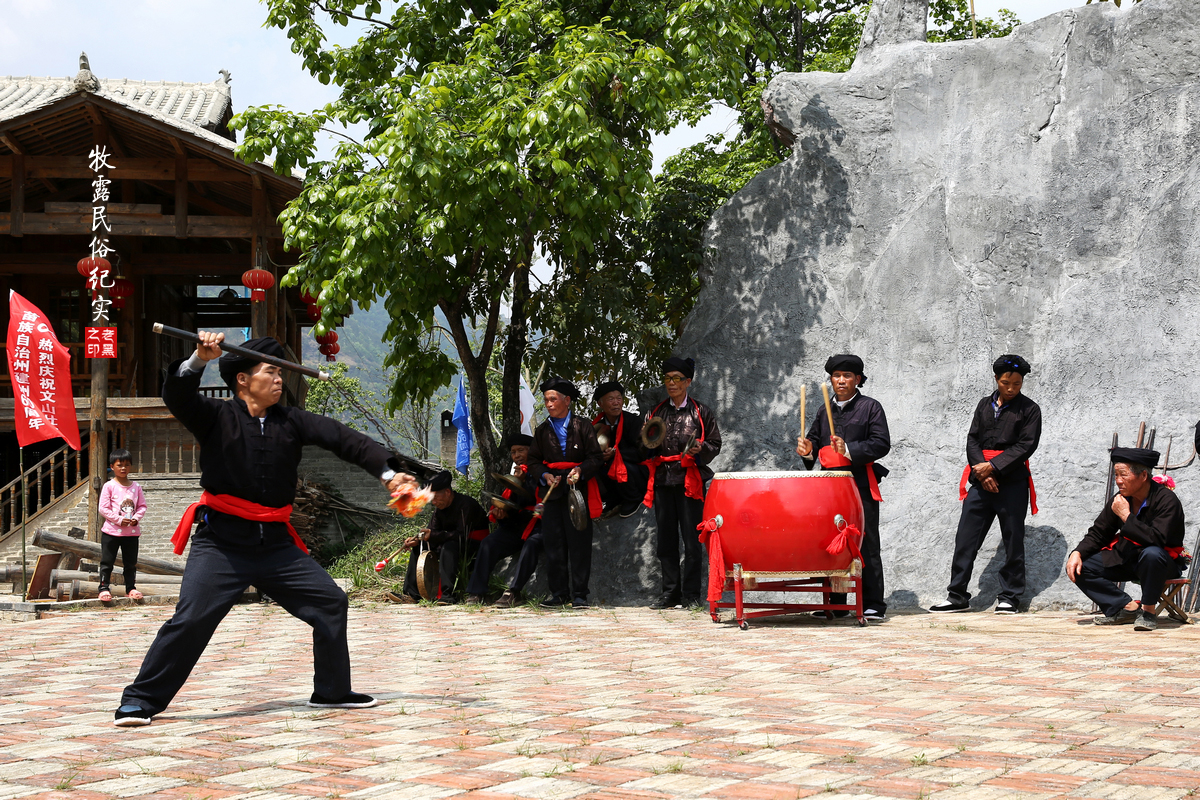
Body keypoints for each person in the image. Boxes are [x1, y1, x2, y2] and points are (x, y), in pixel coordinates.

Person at [114, 332, 415, 728]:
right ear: (243, 379)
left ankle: (331, 691)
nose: (279, 380)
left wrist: (389, 473)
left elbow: (348, 441)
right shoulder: (215, 417)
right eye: (270, 371)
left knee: (329, 602)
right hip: (221, 544)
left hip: (276, 547)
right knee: (190, 620)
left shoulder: (291, 422)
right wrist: (198, 359)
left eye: (280, 372)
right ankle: (139, 701)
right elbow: (179, 396)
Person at [930, 355, 1041, 615]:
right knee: (966, 538)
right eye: (1006, 383)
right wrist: (982, 472)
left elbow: (1026, 445)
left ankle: (1010, 596)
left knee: (1013, 538)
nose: (1011, 388)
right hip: (980, 480)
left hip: (1012, 481)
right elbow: (972, 440)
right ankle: (957, 594)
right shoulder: (983, 405)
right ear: (996, 380)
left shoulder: (1030, 409)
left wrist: (993, 467)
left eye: (1017, 383)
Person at [795, 354, 891, 622]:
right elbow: (812, 442)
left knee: (866, 542)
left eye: (847, 376)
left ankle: (873, 603)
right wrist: (806, 450)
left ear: (857, 380)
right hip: (830, 487)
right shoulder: (824, 410)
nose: (841, 381)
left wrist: (848, 449)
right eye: (836, 376)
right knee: (833, 543)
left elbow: (882, 443)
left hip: (859, 482)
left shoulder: (871, 407)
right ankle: (837, 603)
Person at [1066, 447, 1185, 631]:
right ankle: (1126, 607)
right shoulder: (1120, 499)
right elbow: (1099, 532)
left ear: (1143, 476)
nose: (1118, 481)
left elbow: (1157, 539)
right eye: (1116, 475)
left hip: (1161, 563)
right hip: (1128, 557)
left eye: (1123, 475)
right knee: (1082, 566)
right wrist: (1077, 552)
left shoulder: (1166, 500)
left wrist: (1126, 517)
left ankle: (1148, 613)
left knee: (1151, 554)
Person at [643, 357, 722, 610]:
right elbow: (643, 446)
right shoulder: (655, 412)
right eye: (668, 378)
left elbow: (715, 443)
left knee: (692, 538)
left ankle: (691, 595)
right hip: (663, 480)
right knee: (665, 539)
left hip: (690, 481)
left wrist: (699, 450)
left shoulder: (701, 411)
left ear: (688, 382)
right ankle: (669, 594)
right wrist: (646, 439)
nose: (672, 383)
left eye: (677, 378)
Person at [527, 377, 603, 608]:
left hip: (577, 492)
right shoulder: (542, 430)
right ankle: (559, 594)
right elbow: (532, 460)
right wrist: (544, 475)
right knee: (554, 543)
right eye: (546, 400)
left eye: (553, 399)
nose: (549, 404)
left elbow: (596, 458)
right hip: (552, 492)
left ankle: (580, 594)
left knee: (579, 542)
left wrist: (580, 470)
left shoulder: (583, 425)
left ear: (567, 400)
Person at [464, 435, 540, 604]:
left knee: (532, 544)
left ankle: (514, 591)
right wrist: (503, 515)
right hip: (516, 526)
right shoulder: (513, 476)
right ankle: (477, 592)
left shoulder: (540, 471)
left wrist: (525, 479)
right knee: (488, 543)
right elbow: (513, 507)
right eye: (513, 452)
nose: (517, 455)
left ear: (531, 451)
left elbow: (539, 498)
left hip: (537, 525)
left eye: (521, 450)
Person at [397, 470, 490, 603]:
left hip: (473, 544)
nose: (434, 502)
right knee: (419, 549)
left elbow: (461, 535)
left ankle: (448, 594)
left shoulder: (466, 504)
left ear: (447, 492)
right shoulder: (439, 510)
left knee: (449, 547)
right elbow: (432, 531)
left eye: (435, 497)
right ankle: (411, 594)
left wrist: (433, 535)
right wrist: (417, 540)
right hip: (450, 541)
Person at [591, 381, 648, 519]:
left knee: (614, 464)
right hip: (612, 470)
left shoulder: (633, 421)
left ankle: (633, 497)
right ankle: (613, 499)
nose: (616, 402)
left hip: (636, 470)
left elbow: (642, 452)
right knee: (592, 467)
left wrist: (616, 454)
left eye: (619, 398)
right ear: (601, 404)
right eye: (611, 399)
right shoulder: (598, 425)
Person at [97, 448, 147, 602]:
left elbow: (142, 506)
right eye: (120, 465)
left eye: (126, 465)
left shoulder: (136, 487)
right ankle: (104, 588)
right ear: (112, 467)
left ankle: (130, 588)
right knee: (107, 562)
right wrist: (118, 520)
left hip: (131, 533)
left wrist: (136, 518)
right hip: (111, 532)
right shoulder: (109, 486)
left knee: (130, 564)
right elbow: (103, 508)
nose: (123, 468)